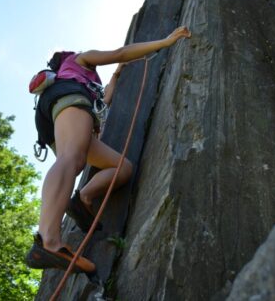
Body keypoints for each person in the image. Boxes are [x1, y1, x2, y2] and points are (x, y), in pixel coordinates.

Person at [26, 26, 192, 273]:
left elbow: (102, 102)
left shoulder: (83, 81)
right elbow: (121, 52)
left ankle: (83, 198)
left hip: (64, 117)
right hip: (70, 107)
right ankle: (48, 240)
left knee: (122, 168)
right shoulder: (80, 59)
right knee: (72, 158)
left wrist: (115, 75)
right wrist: (166, 41)